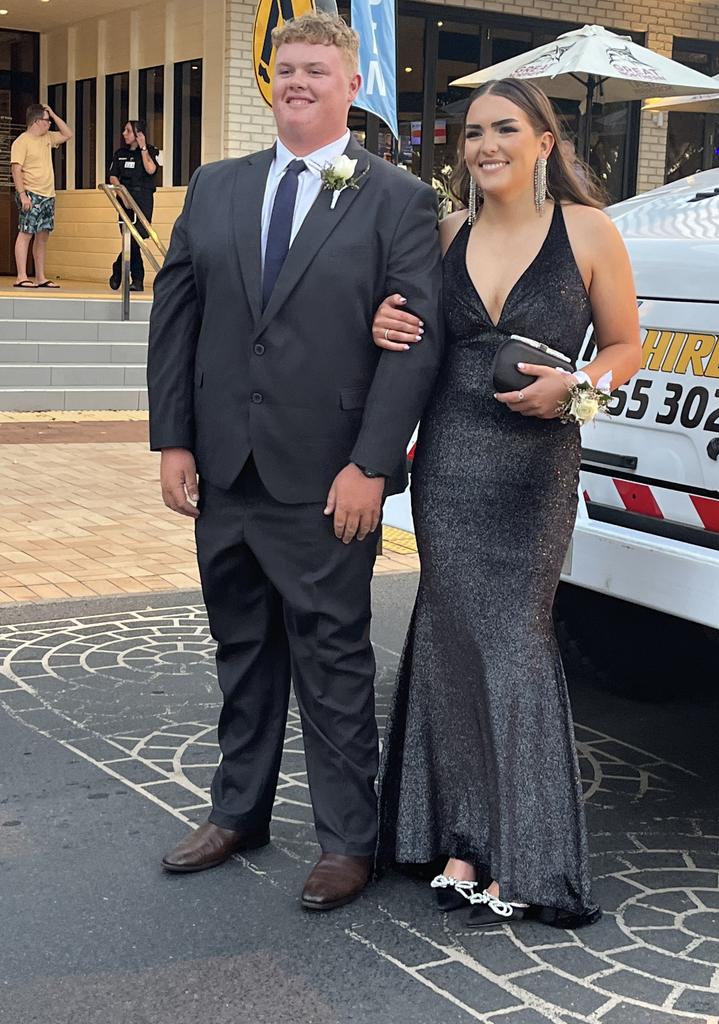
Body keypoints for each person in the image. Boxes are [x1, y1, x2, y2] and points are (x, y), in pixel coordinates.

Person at [146, 11, 442, 911]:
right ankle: (238, 812)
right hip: (226, 472)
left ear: (353, 86)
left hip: (327, 479)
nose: (299, 82)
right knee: (242, 651)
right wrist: (174, 439)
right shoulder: (217, 186)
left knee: (333, 658)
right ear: (270, 81)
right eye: (287, 69)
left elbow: (415, 343)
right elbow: (178, 314)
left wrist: (370, 466)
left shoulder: (397, 198)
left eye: (318, 69)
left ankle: (349, 840)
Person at [372, 78, 642, 928]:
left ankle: (527, 851)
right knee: (451, 639)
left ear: (544, 142)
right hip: (450, 461)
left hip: (535, 468)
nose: (485, 143)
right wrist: (384, 319)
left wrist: (579, 385)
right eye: (472, 131)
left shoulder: (590, 231)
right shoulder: (449, 231)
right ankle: (460, 835)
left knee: (516, 640)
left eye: (505, 129)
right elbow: (413, 334)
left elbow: (630, 345)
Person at [10, 103, 72, 289]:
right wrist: (23, 195)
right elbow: (16, 169)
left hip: (48, 194)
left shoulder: (48, 138)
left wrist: (52, 112)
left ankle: (40, 276)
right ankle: (21, 276)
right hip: (30, 192)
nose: (49, 124)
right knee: (26, 232)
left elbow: (68, 134)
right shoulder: (22, 141)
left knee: (43, 236)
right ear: (36, 121)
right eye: (47, 121)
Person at [108, 120, 160, 293]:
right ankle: (137, 279)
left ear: (139, 134)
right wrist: (123, 197)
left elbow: (151, 169)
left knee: (138, 236)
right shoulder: (120, 153)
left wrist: (143, 148)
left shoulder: (151, 151)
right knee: (130, 238)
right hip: (125, 198)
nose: (124, 133)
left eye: (128, 131)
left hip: (143, 198)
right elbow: (113, 177)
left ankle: (118, 267)